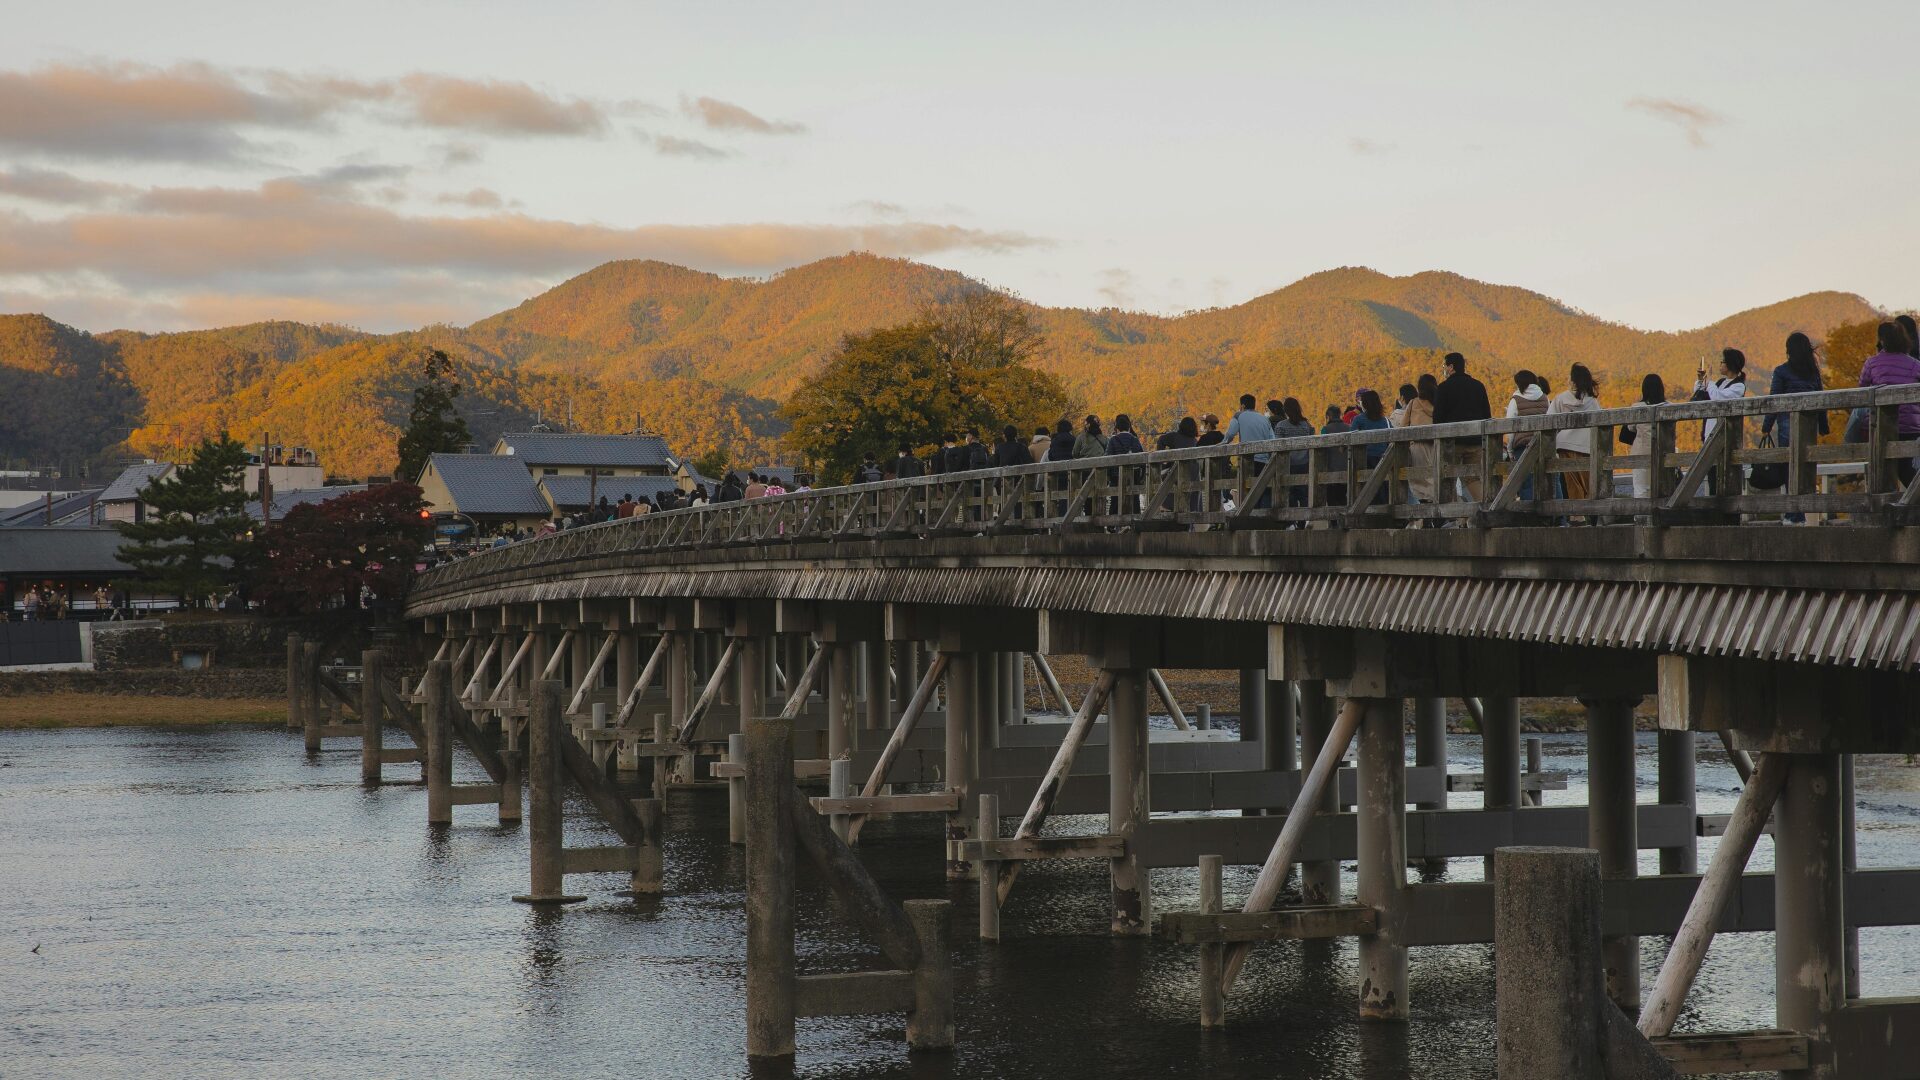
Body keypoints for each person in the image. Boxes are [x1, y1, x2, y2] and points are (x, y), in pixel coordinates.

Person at [1762, 333, 1827, 523]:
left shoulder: (1781, 371)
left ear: (1789, 350)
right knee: (1805, 468)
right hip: (1809, 427)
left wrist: (1766, 426)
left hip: (1786, 425)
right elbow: (1821, 399)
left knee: (1789, 468)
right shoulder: (1813, 373)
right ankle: (1801, 513)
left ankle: (1793, 514)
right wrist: (1823, 426)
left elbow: (1774, 402)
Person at [1860, 321, 1920, 486]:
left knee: (1887, 469)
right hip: (1910, 426)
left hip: (1879, 426)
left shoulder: (1871, 363)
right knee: (1906, 468)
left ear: (1882, 340)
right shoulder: (1915, 364)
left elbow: (1862, 390)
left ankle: (1901, 505)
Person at [1432, 352, 1491, 502]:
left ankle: (1458, 516)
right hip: (1476, 441)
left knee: (1448, 478)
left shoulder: (1444, 388)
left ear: (1451, 367)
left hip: (1453, 443)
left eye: (1444, 366)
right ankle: (1486, 508)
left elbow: (1437, 418)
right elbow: (1487, 414)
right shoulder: (1478, 386)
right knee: (1472, 479)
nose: (1444, 369)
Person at [1691, 349, 1748, 494]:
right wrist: (1701, 380)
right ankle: (1714, 512)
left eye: (1723, 361)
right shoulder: (1721, 382)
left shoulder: (1738, 386)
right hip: (1710, 435)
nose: (1720, 364)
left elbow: (1717, 398)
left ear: (1730, 364)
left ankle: (1725, 514)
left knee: (1724, 478)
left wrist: (1709, 381)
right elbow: (1703, 395)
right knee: (1712, 477)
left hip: (1725, 439)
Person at [1548, 363, 1602, 511]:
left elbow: (1549, 420)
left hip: (1564, 444)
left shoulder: (1560, 399)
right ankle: (1591, 512)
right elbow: (1601, 424)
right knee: (1588, 483)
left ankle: (1576, 515)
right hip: (1586, 445)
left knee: (1571, 482)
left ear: (1573, 380)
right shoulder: (1592, 402)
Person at [1620, 374, 1667, 501]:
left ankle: (1641, 517)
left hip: (1641, 452)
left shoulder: (1637, 407)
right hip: (1664, 452)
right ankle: (1661, 518)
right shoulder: (1669, 406)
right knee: (1663, 489)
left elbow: (1630, 428)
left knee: (1641, 488)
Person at [1504, 370, 1549, 501]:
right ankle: (1557, 517)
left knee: (1525, 482)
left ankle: (1529, 517)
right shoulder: (1544, 397)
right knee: (1549, 480)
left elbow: (1510, 427)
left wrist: (1510, 449)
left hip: (1523, 446)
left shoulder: (1516, 399)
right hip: (1544, 445)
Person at [1273, 397, 1315, 510]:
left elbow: (1277, 446)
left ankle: (1292, 521)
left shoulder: (1281, 425)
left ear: (1285, 410)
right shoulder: (1306, 425)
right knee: (1303, 493)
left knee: (1289, 493)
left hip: (1288, 465)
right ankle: (1303, 520)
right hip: (1304, 463)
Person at [1404, 374, 1438, 505]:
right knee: (1434, 478)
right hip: (1436, 445)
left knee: (1418, 481)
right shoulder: (1439, 403)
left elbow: (1403, 426)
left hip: (1417, 447)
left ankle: (1424, 511)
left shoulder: (1413, 403)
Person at [1320, 405, 1351, 509]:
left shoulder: (1325, 429)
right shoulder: (1348, 428)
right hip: (1347, 467)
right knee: (1342, 496)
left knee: (1331, 497)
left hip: (1330, 468)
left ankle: (1333, 522)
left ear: (1328, 416)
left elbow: (1321, 448)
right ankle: (1343, 521)